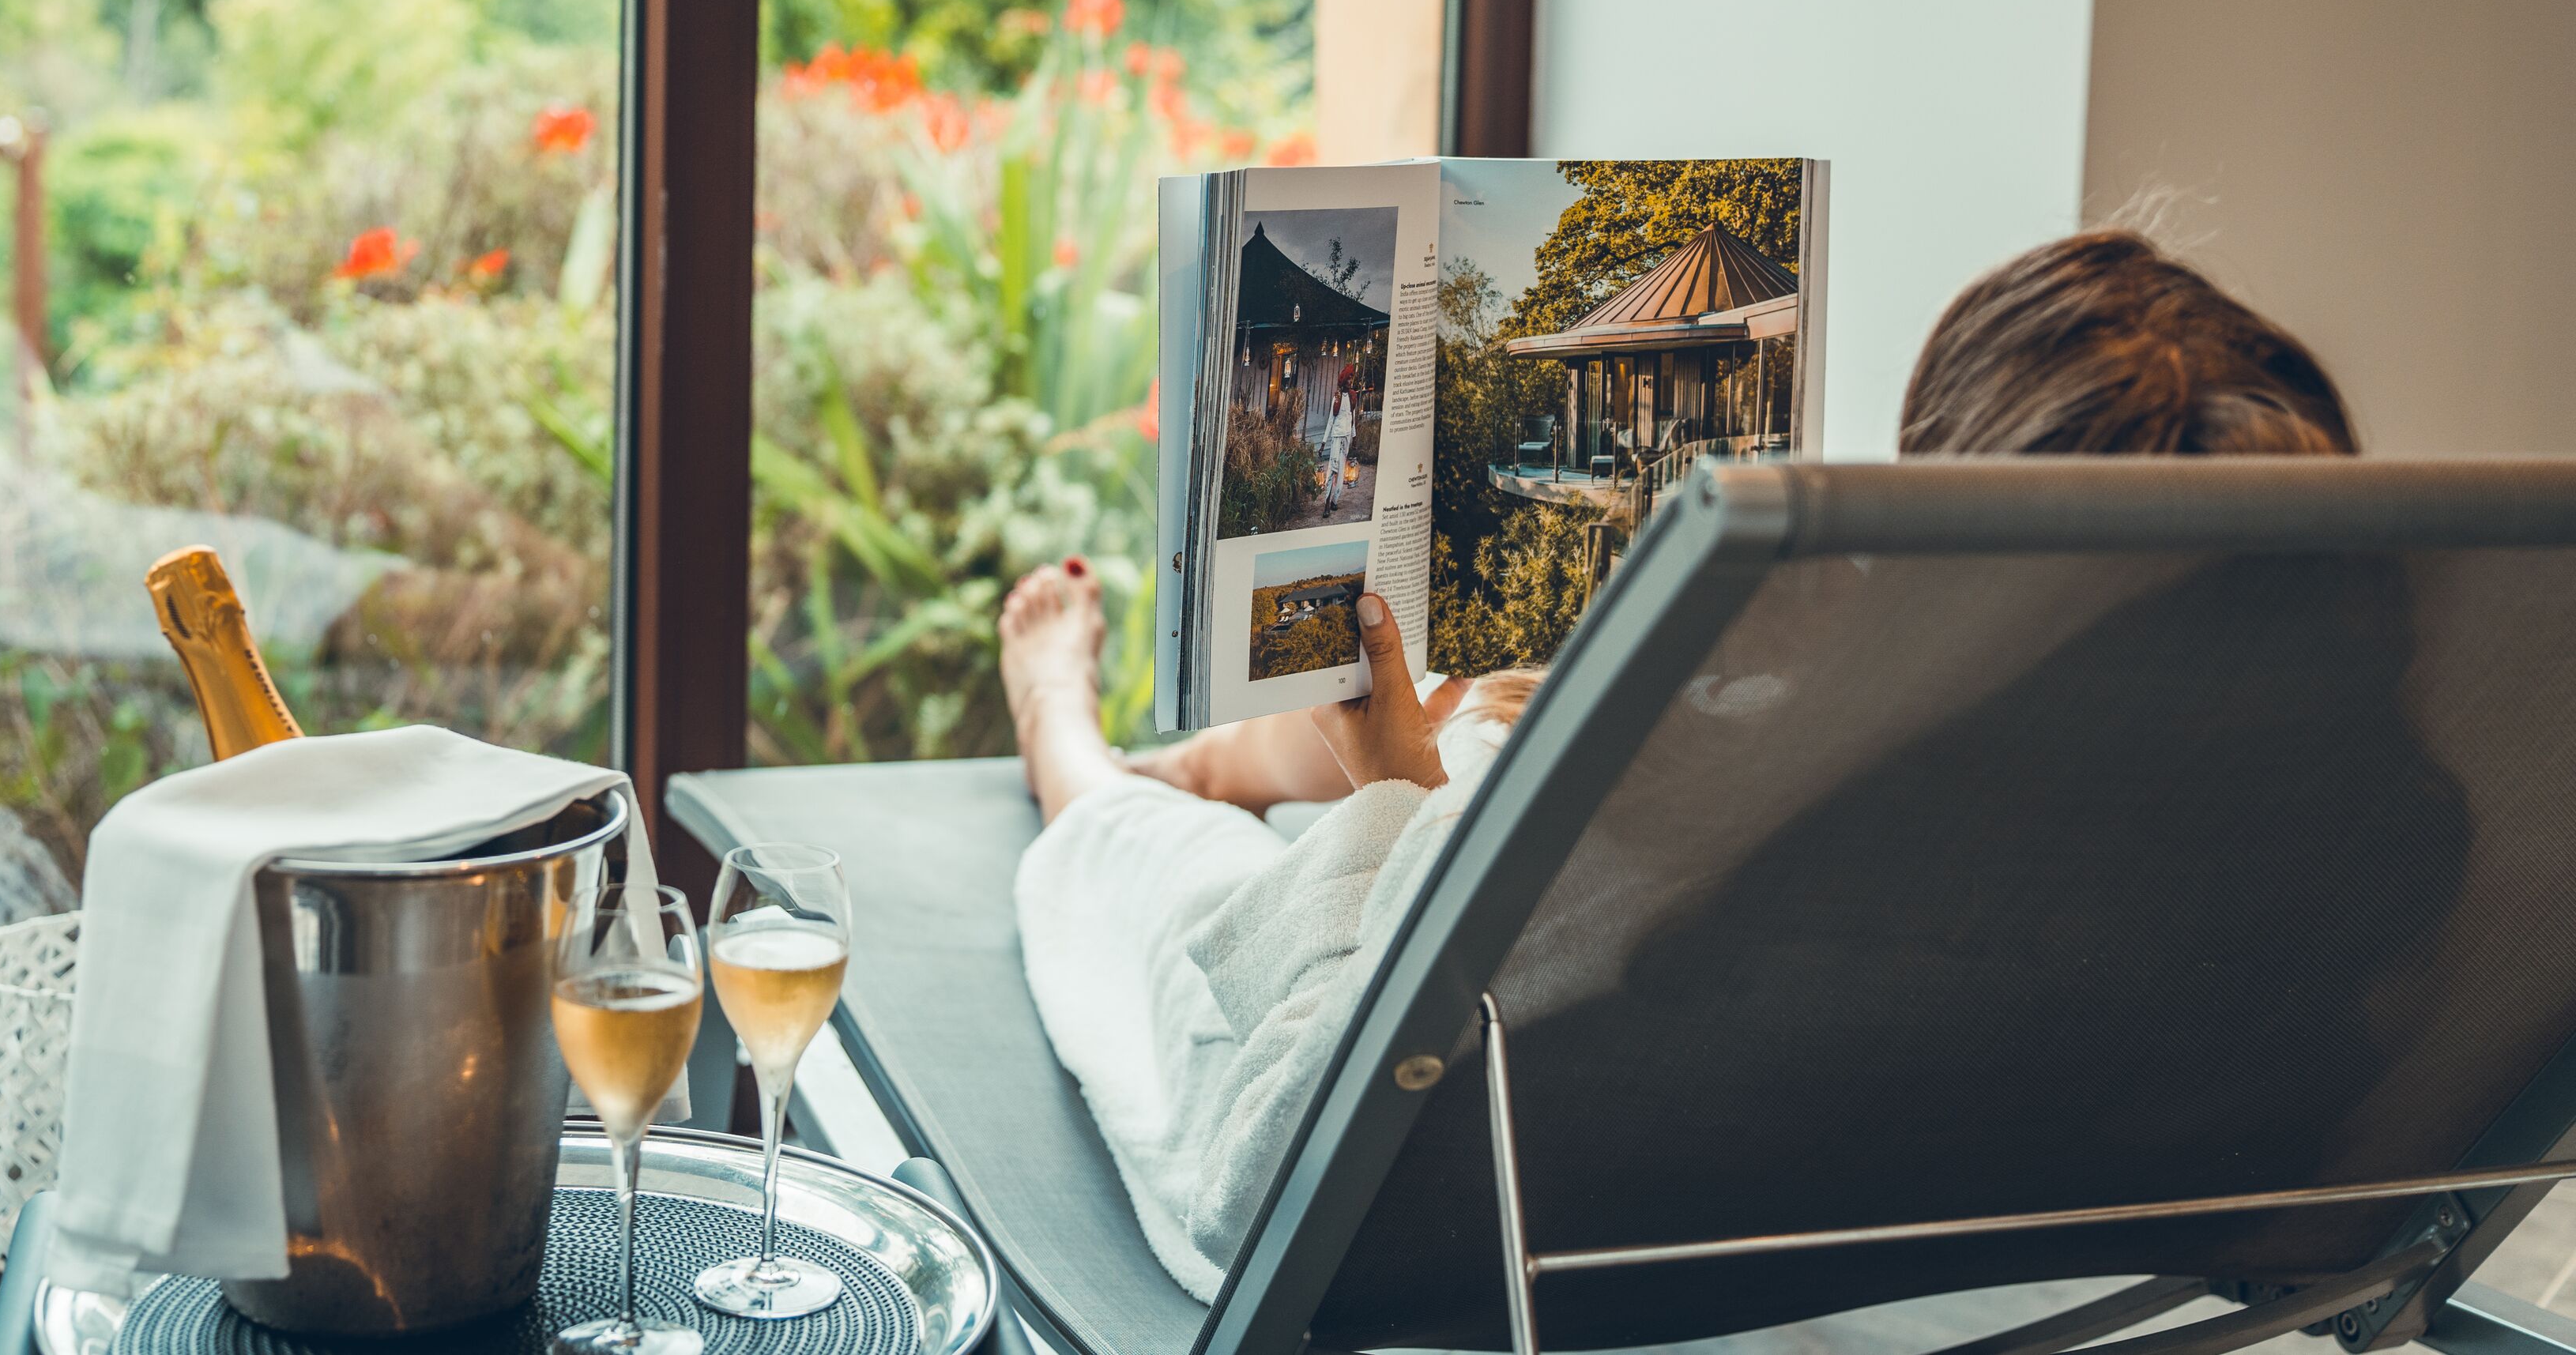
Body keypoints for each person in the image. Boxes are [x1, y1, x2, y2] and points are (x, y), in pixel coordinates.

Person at [996, 228, 2359, 1299]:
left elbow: (1276, 1166)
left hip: (1445, 1198)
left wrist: (1407, 792)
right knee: (1488, 719)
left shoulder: (1745, 844)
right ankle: (1251, 766)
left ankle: (1072, 737)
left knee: (1177, 877)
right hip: (1880, 1167)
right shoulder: (2325, 858)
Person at [1318, 373, 1359, 513]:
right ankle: (1326, 505)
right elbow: (1330, 420)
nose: (1350, 381)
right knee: (1332, 470)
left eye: (1351, 379)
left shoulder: (1353, 397)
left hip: (1347, 437)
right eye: (1347, 379)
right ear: (1342, 382)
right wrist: (1324, 442)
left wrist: (1354, 437)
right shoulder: (1337, 397)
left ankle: (1335, 501)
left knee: (1341, 472)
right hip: (1337, 437)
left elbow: (1352, 419)